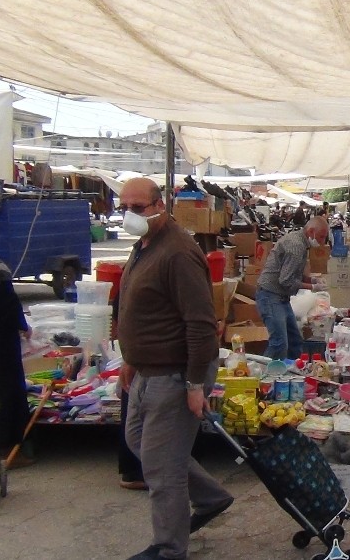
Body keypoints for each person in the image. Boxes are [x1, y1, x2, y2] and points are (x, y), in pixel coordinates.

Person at [116, 178, 233, 560]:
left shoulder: (178, 252)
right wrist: (129, 360)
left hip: (175, 371)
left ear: (159, 205)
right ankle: (211, 496)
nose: (130, 214)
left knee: (161, 470)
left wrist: (195, 383)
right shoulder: (143, 246)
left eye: (138, 207)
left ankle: (168, 549)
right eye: (125, 208)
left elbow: (200, 323)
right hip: (146, 369)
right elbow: (142, 311)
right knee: (139, 441)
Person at [256, 217, 328, 360]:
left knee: (294, 340)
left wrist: (311, 279)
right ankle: (265, 374)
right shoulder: (296, 246)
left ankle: (293, 370)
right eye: (321, 237)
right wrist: (312, 286)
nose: (322, 242)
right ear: (311, 231)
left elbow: (293, 272)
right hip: (271, 295)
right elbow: (286, 280)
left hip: (280, 297)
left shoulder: (300, 241)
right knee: (279, 343)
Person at [0, 259, 31, 466]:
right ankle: (8, 450)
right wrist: (24, 326)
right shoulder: (2, 276)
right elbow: (11, 308)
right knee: (9, 394)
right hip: (4, 349)